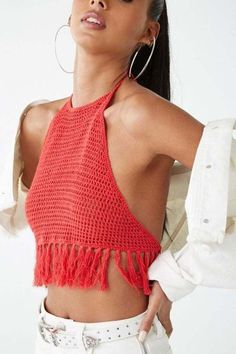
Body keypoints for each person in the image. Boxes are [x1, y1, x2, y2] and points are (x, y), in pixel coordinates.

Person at [1, 0, 235, 353]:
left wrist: (177, 277)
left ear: (148, 31)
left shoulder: (143, 116)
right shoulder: (35, 124)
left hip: (122, 343)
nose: (99, 1)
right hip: (44, 339)